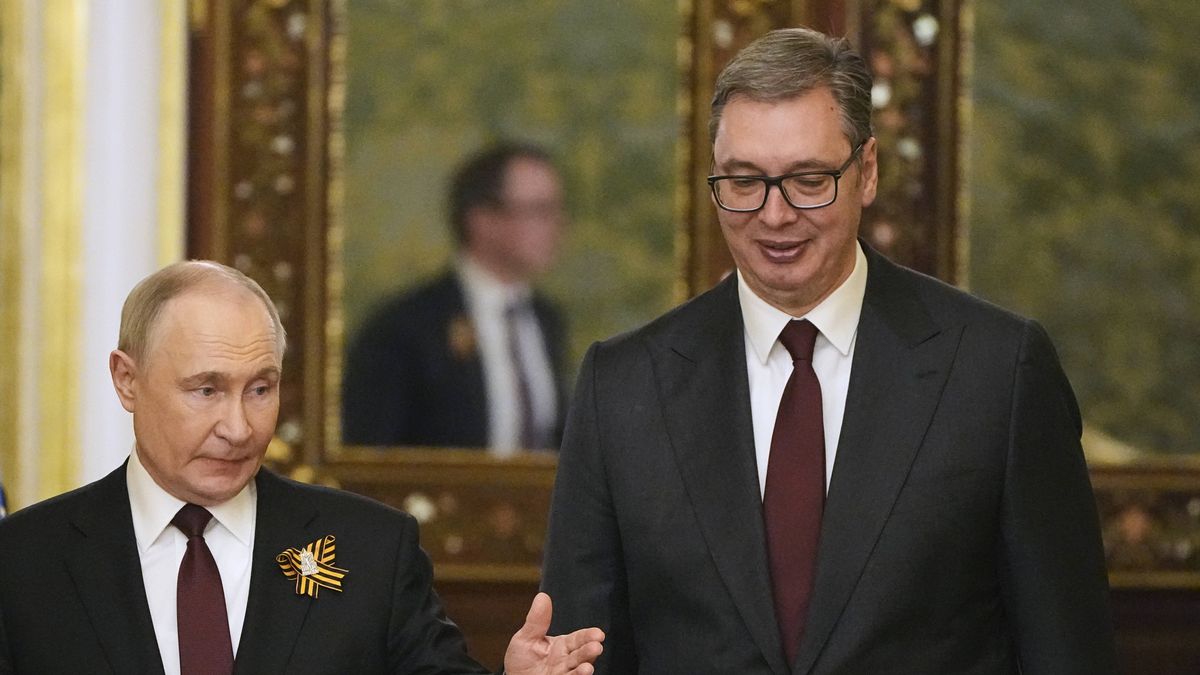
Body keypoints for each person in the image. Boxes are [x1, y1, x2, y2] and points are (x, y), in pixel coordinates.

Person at [541, 27, 1116, 674]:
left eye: (809, 180)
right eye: (743, 181)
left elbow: (1069, 651)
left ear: (866, 171)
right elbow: (573, 653)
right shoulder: (623, 386)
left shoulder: (997, 371)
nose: (775, 215)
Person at [0, 261, 602, 674]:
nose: (239, 427)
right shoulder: (25, 561)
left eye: (260, 389)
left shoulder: (370, 550)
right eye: (206, 390)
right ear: (126, 380)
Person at [343, 143, 568, 453]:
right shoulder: (407, 328)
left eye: (555, 210)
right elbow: (371, 453)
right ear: (483, 220)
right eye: (538, 211)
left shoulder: (545, 318)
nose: (556, 227)